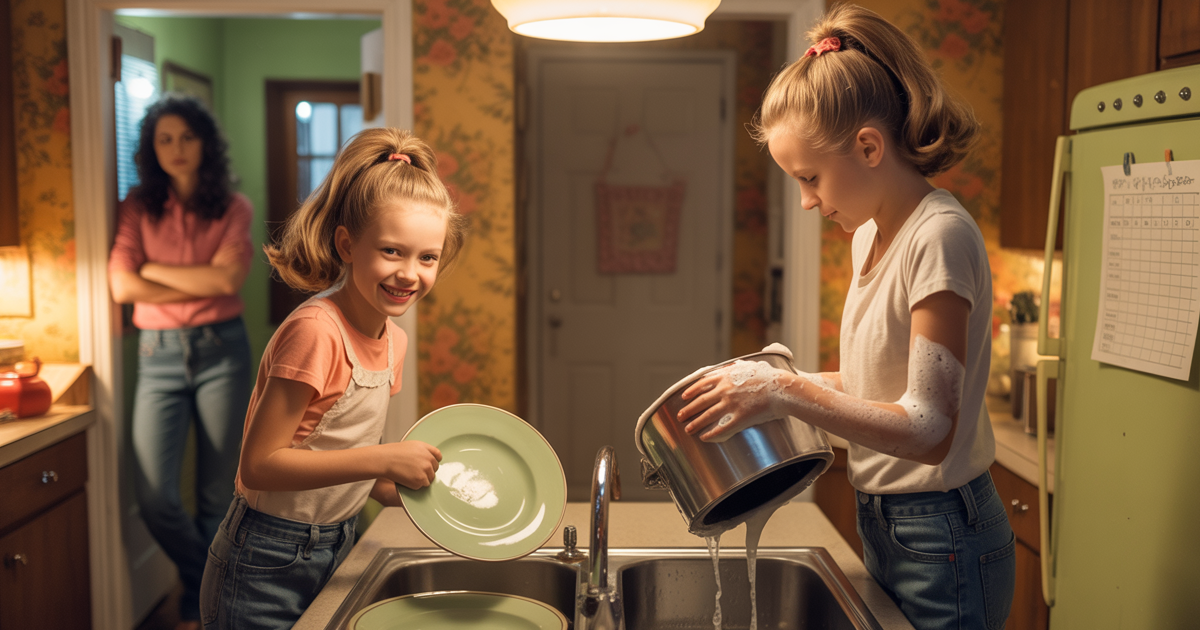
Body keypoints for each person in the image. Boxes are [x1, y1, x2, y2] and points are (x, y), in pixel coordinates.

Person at [676, 5, 1014, 629]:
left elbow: (929, 427)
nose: (807, 201)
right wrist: (768, 388)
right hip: (887, 519)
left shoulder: (938, 236)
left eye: (810, 178)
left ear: (867, 146)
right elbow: (879, 387)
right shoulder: (870, 235)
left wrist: (787, 390)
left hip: (943, 532)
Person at [199, 127, 466, 630]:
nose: (410, 273)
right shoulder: (316, 332)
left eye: (426, 257)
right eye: (392, 251)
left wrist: (406, 490)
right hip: (263, 560)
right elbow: (260, 465)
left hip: (336, 543)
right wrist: (384, 458)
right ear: (347, 244)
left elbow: (345, 458)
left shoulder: (395, 341)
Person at [108, 95, 254, 630]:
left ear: (205, 143)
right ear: (151, 148)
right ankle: (207, 577)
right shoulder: (136, 207)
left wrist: (154, 269)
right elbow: (121, 284)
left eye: (186, 137)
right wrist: (188, 273)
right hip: (158, 355)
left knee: (219, 495)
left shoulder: (234, 206)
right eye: (164, 139)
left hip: (224, 352)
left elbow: (224, 282)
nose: (176, 148)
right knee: (154, 496)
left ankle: (202, 609)